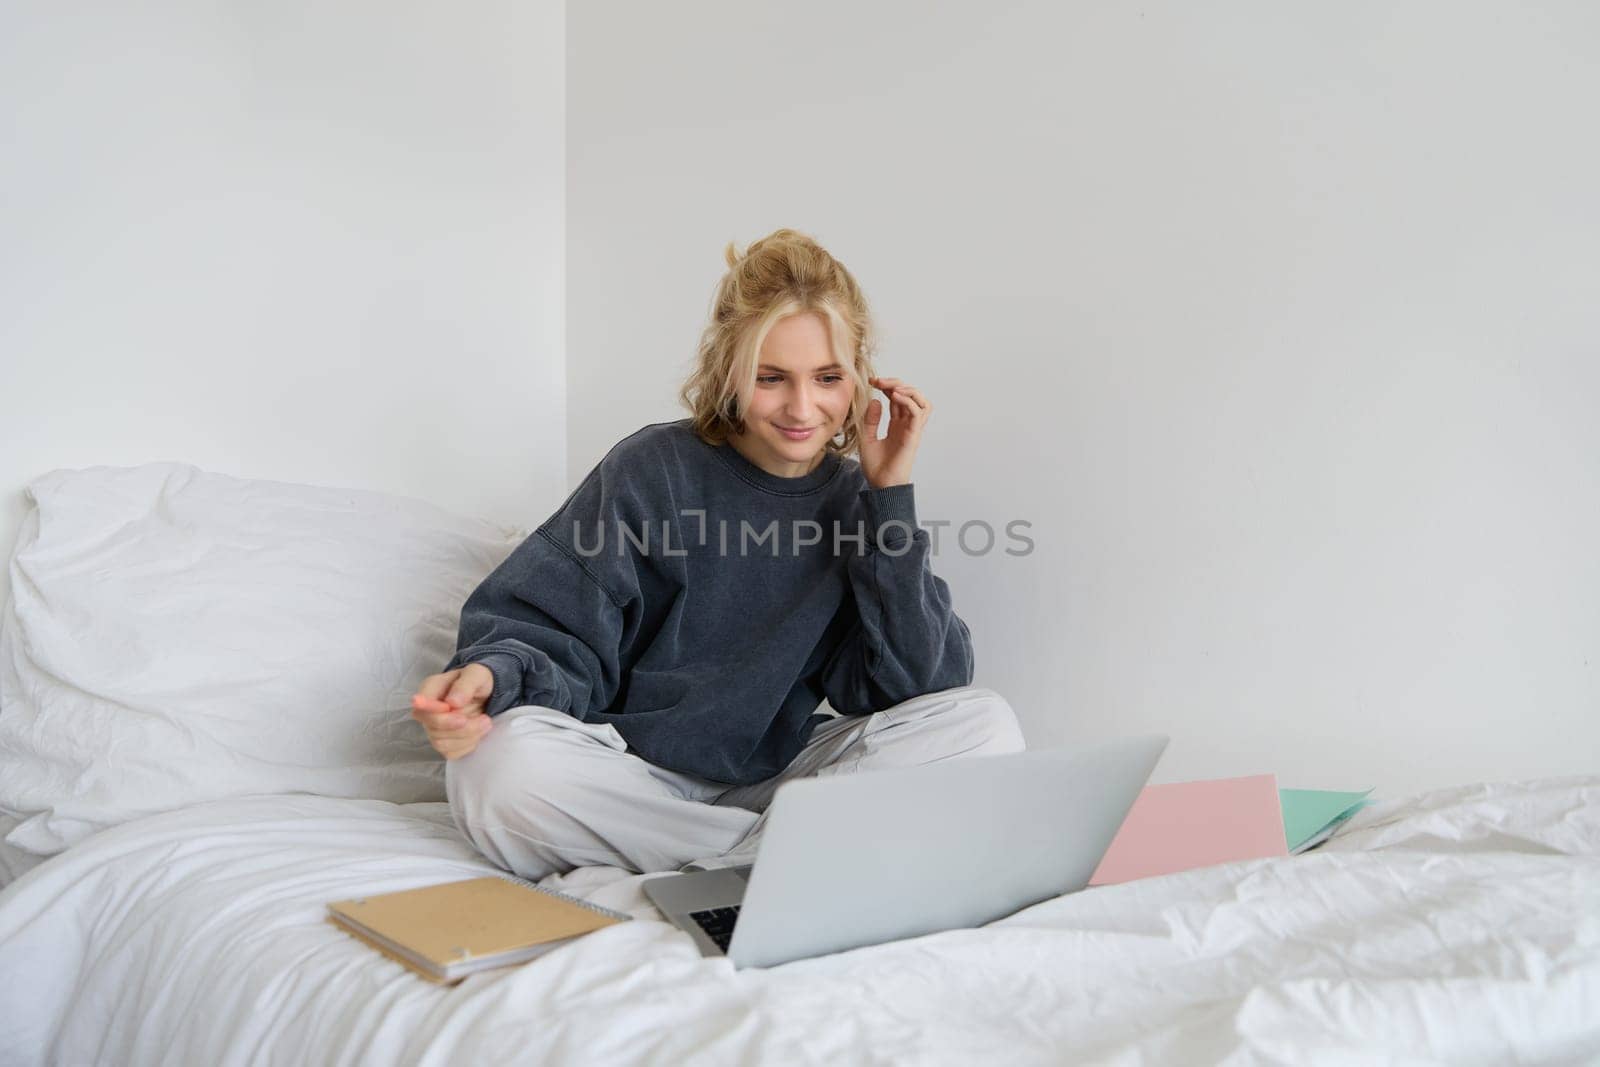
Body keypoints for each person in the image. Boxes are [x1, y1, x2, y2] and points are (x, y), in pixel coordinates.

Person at [411, 228, 1025, 881]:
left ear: (859, 377)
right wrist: (494, 674)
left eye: (827, 378)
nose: (802, 407)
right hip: (630, 772)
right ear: (729, 369)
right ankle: (773, 858)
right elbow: (550, 623)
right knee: (493, 768)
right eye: (771, 378)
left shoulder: (857, 502)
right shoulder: (652, 468)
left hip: (771, 774)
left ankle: (722, 860)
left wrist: (890, 497)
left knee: (986, 726)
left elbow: (920, 684)